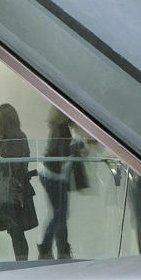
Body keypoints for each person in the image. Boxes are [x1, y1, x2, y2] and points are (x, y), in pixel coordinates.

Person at [0, 103, 38, 261]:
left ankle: (22, 265)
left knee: (16, 231)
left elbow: (11, 164)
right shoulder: (18, 136)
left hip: (13, 191)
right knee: (16, 231)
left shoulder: (12, 138)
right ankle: (22, 265)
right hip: (17, 188)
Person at [38, 106, 79, 260]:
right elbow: (62, 154)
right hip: (54, 176)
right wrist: (77, 148)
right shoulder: (62, 129)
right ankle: (50, 247)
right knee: (60, 213)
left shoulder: (58, 127)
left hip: (50, 175)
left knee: (60, 213)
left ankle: (59, 248)